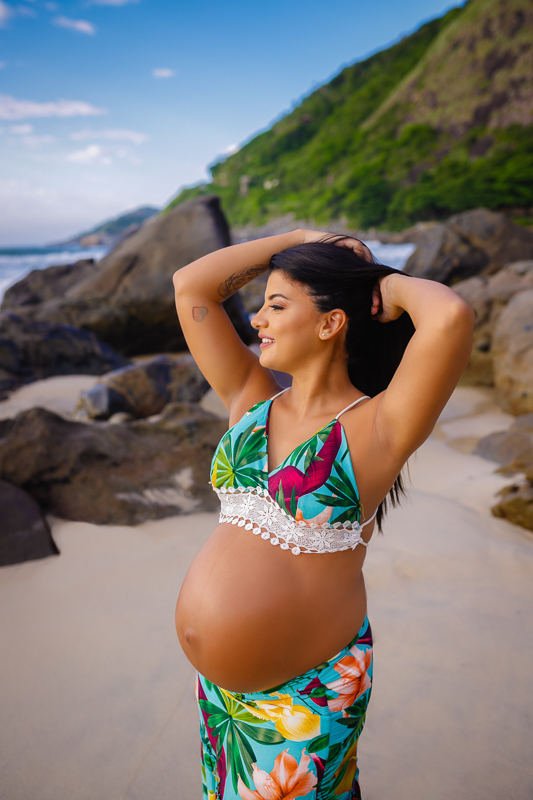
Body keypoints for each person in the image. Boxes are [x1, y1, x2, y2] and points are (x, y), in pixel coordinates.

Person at [173, 229, 474, 800]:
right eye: (261, 305)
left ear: (331, 323)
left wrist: (383, 286)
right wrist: (302, 241)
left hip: (303, 702)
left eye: (277, 305)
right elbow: (192, 286)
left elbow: (450, 316)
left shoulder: (377, 428)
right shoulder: (251, 398)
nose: (258, 319)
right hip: (220, 700)